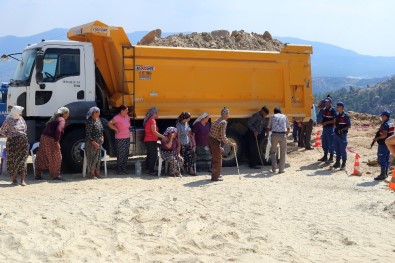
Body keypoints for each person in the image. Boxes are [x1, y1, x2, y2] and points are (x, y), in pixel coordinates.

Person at [35, 107, 70, 180]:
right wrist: (56, 140)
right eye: (67, 113)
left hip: (44, 137)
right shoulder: (61, 119)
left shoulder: (54, 118)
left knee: (42, 155)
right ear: (64, 114)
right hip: (50, 139)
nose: (68, 115)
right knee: (57, 157)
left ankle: (38, 174)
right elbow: (58, 130)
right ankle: (55, 175)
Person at [0, 106, 29, 186]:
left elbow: (25, 128)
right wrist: (8, 135)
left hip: (23, 141)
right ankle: (14, 179)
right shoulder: (8, 120)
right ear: (15, 112)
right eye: (20, 111)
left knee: (23, 159)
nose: (22, 113)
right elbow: (2, 130)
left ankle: (22, 180)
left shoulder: (21, 119)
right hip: (12, 142)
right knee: (12, 160)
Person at [208, 107, 236, 181]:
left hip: (211, 140)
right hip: (214, 141)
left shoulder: (217, 120)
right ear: (225, 114)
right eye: (228, 114)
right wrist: (231, 143)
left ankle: (216, 174)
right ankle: (215, 177)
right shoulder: (223, 122)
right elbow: (223, 136)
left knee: (216, 157)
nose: (228, 115)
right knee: (217, 159)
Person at [108, 105, 131, 174]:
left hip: (127, 137)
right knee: (121, 154)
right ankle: (119, 169)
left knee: (126, 154)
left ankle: (124, 168)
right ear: (122, 110)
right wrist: (115, 129)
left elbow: (128, 124)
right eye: (126, 110)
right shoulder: (117, 117)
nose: (127, 111)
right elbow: (109, 123)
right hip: (120, 138)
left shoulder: (127, 116)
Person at [267, 107, 290, 174]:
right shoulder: (284, 116)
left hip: (274, 135)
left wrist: (268, 135)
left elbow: (268, 127)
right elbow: (288, 128)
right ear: (280, 112)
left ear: (274, 112)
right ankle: (281, 169)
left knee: (273, 152)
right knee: (283, 153)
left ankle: (274, 168)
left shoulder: (272, 116)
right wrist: (286, 135)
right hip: (283, 135)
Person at [143, 107, 165, 175]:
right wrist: (163, 137)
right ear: (154, 113)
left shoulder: (148, 120)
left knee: (149, 155)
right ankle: (151, 171)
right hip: (151, 140)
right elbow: (154, 132)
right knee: (153, 156)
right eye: (157, 113)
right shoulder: (152, 120)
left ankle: (148, 169)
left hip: (148, 140)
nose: (157, 114)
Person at [373, 111, 394, 180]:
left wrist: (377, 138)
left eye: (382, 116)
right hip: (389, 144)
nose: (381, 117)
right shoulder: (391, 123)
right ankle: (385, 173)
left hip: (383, 143)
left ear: (385, 116)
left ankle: (382, 174)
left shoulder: (385, 124)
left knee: (381, 158)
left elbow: (384, 134)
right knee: (386, 158)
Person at [85, 107, 104, 179]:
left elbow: (101, 130)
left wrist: (102, 137)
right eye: (97, 113)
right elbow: (88, 134)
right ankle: (91, 173)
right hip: (91, 143)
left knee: (98, 158)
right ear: (93, 113)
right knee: (92, 158)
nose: (99, 114)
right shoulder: (89, 121)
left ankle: (97, 172)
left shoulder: (98, 120)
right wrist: (94, 143)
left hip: (99, 142)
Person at [333, 102, 351, 170]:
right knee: (337, 148)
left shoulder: (346, 116)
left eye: (337, 106)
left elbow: (349, 126)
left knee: (342, 149)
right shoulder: (337, 116)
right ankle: (337, 162)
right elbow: (335, 124)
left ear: (341, 107)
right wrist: (335, 125)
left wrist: (342, 129)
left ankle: (344, 163)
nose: (337, 108)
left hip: (343, 135)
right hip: (336, 134)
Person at [318, 97, 336, 163]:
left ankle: (331, 158)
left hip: (330, 128)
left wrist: (326, 122)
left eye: (328, 102)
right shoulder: (324, 110)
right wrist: (322, 122)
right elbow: (319, 107)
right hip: (325, 128)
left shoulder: (332, 110)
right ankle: (325, 156)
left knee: (331, 143)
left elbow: (334, 120)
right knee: (324, 142)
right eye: (325, 102)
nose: (326, 103)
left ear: (330, 103)